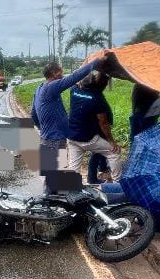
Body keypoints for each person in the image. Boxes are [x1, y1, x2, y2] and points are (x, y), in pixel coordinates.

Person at [31, 53, 110, 191]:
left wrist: (42, 128)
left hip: (47, 137)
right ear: (55, 74)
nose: (62, 74)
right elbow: (74, 77)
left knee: (51, 175)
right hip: (54, 139)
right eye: (60, 71)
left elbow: (33, 113)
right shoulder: (51, 87)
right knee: (54, 176)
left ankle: (50, 200)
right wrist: (97, 61)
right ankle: (49, 205)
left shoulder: (39, 89)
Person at [67, 71, 123, 184]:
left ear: (81, 83)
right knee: (114, 153)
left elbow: (76, 77)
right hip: (89, 139)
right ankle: (117, 184)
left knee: (74, 167)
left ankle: (72, 190)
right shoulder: (96, 99)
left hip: (72, 138)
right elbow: (103, 123)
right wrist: (112, 142)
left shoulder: (74, 90)